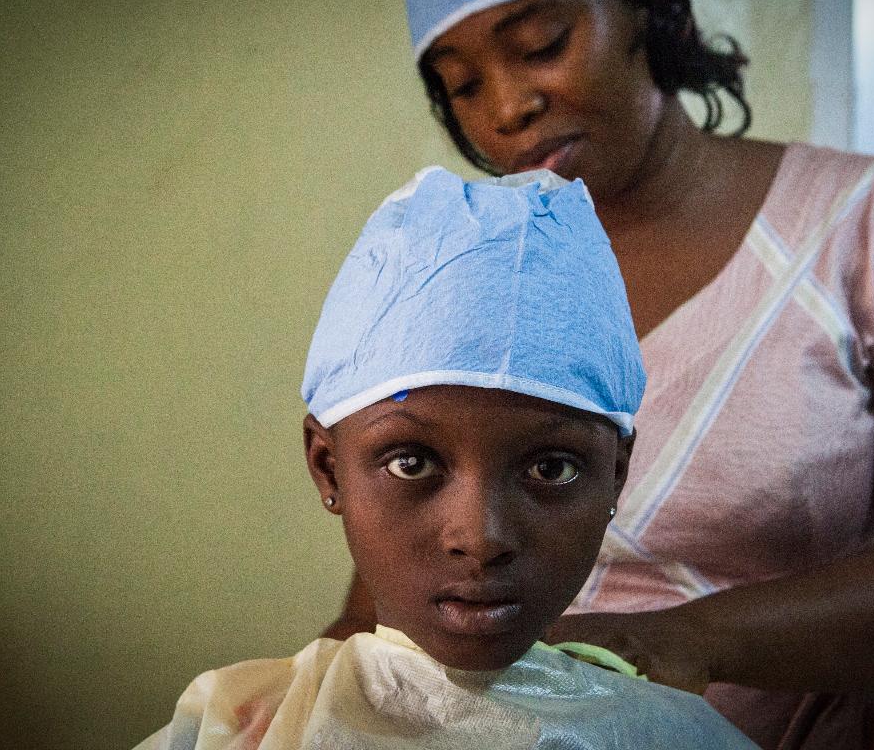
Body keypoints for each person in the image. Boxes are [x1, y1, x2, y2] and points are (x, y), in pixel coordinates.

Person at [321, 0, 874, 747]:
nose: (508, 106)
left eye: (541, 45)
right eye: (463, 85)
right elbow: (395, 576)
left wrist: (686, 641)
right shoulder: (468, 273)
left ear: (653, 17)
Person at [133, 168, 759, 749]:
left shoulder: (676, 736)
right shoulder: (237, 728)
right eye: (411, 463)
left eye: (550, 468)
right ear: (328, 468)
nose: (480, 538)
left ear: (616, 473)